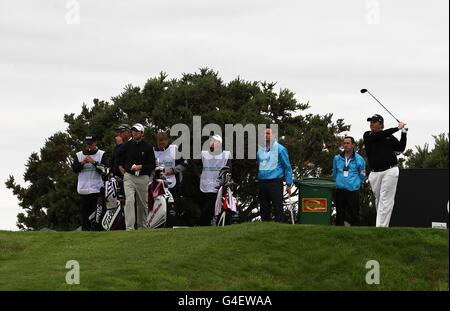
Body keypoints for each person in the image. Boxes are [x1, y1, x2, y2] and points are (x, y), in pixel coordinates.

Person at [363, 114, 407, 227]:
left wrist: (404, 133)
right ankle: (381, 226)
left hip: (390, 171)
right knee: (379, 200)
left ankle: (381, 228)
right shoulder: (368, 135)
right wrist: (397, 128)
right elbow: (380, 135)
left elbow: (400, 147)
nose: (371, 124)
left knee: (385, 199)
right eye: (370, 121)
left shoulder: (389, 137)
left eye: (374, 121)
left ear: (381, 124)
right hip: (374, 173)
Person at [118, 123, 156, 230]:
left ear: (142, 133)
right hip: (129, 177)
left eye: (137, 131)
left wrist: (141, 167)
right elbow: (118, 154)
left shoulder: (148, 147)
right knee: (129, 201)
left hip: (143, 178)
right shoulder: (128, 145)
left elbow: (152, 165)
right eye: (133, 131)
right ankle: (129, 228)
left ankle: (142, 227)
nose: (134, 132)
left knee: (142, 204)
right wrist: (121, 168)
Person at [71, 134, 108, 230]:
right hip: (83, 189)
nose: (89, 146)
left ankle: (98, 231)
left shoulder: (101, 154)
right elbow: (75, 169)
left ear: (95, 143)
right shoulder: (79, 155)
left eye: (91, 144)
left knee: (97, 214)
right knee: (85, 214)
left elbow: (104, 169)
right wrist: (83, 162)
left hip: (97, 189)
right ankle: (85, 231)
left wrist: (94, 162)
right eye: (87, 144)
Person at [256, 128, 293, 222]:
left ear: (273, 136)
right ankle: (264, 230)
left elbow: (287, 167)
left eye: (268, 133)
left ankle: (279, 228)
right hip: (262, 182)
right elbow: (259, 163)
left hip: (275, 182)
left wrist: (288, 183)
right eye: (264, 133)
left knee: (277, 207)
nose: (265, 135)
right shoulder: (260, 150)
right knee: (264, 207)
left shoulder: (280, 149)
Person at [194, 134, 231, 226]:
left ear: (219, 143)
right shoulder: (204, 154)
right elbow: (194, 164)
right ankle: (206, 225)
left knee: (209, 208)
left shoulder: (225, 155)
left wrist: (224, 181)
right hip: (205, 184)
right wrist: (199, 174)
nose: (211, 143)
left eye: (214, 141)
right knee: (205, 207)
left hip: (217, 186)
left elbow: (228, 169)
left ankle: (203, 224)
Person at [332, 136, 366, 226]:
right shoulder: (337, 158)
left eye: (348, 143)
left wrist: (356, 184)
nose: (346, 145)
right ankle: (338, 236)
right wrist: (337, 182)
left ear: (353, 145)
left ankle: (356, 236)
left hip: (353, 191)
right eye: (344, 143)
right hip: (340, 190)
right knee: (339, 215)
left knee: (354, 215)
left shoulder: (359, 159)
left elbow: (362, 175)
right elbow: (334, 173)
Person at [152, 131, 187, 198]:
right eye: (160, 143)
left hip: (174, 183)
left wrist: (174, 170)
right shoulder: (153, 151)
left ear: (167, 140)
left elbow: (184, 163)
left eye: (163, 143)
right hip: (158, 183)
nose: (162, 145)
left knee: (173, 204)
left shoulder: (174, 149)